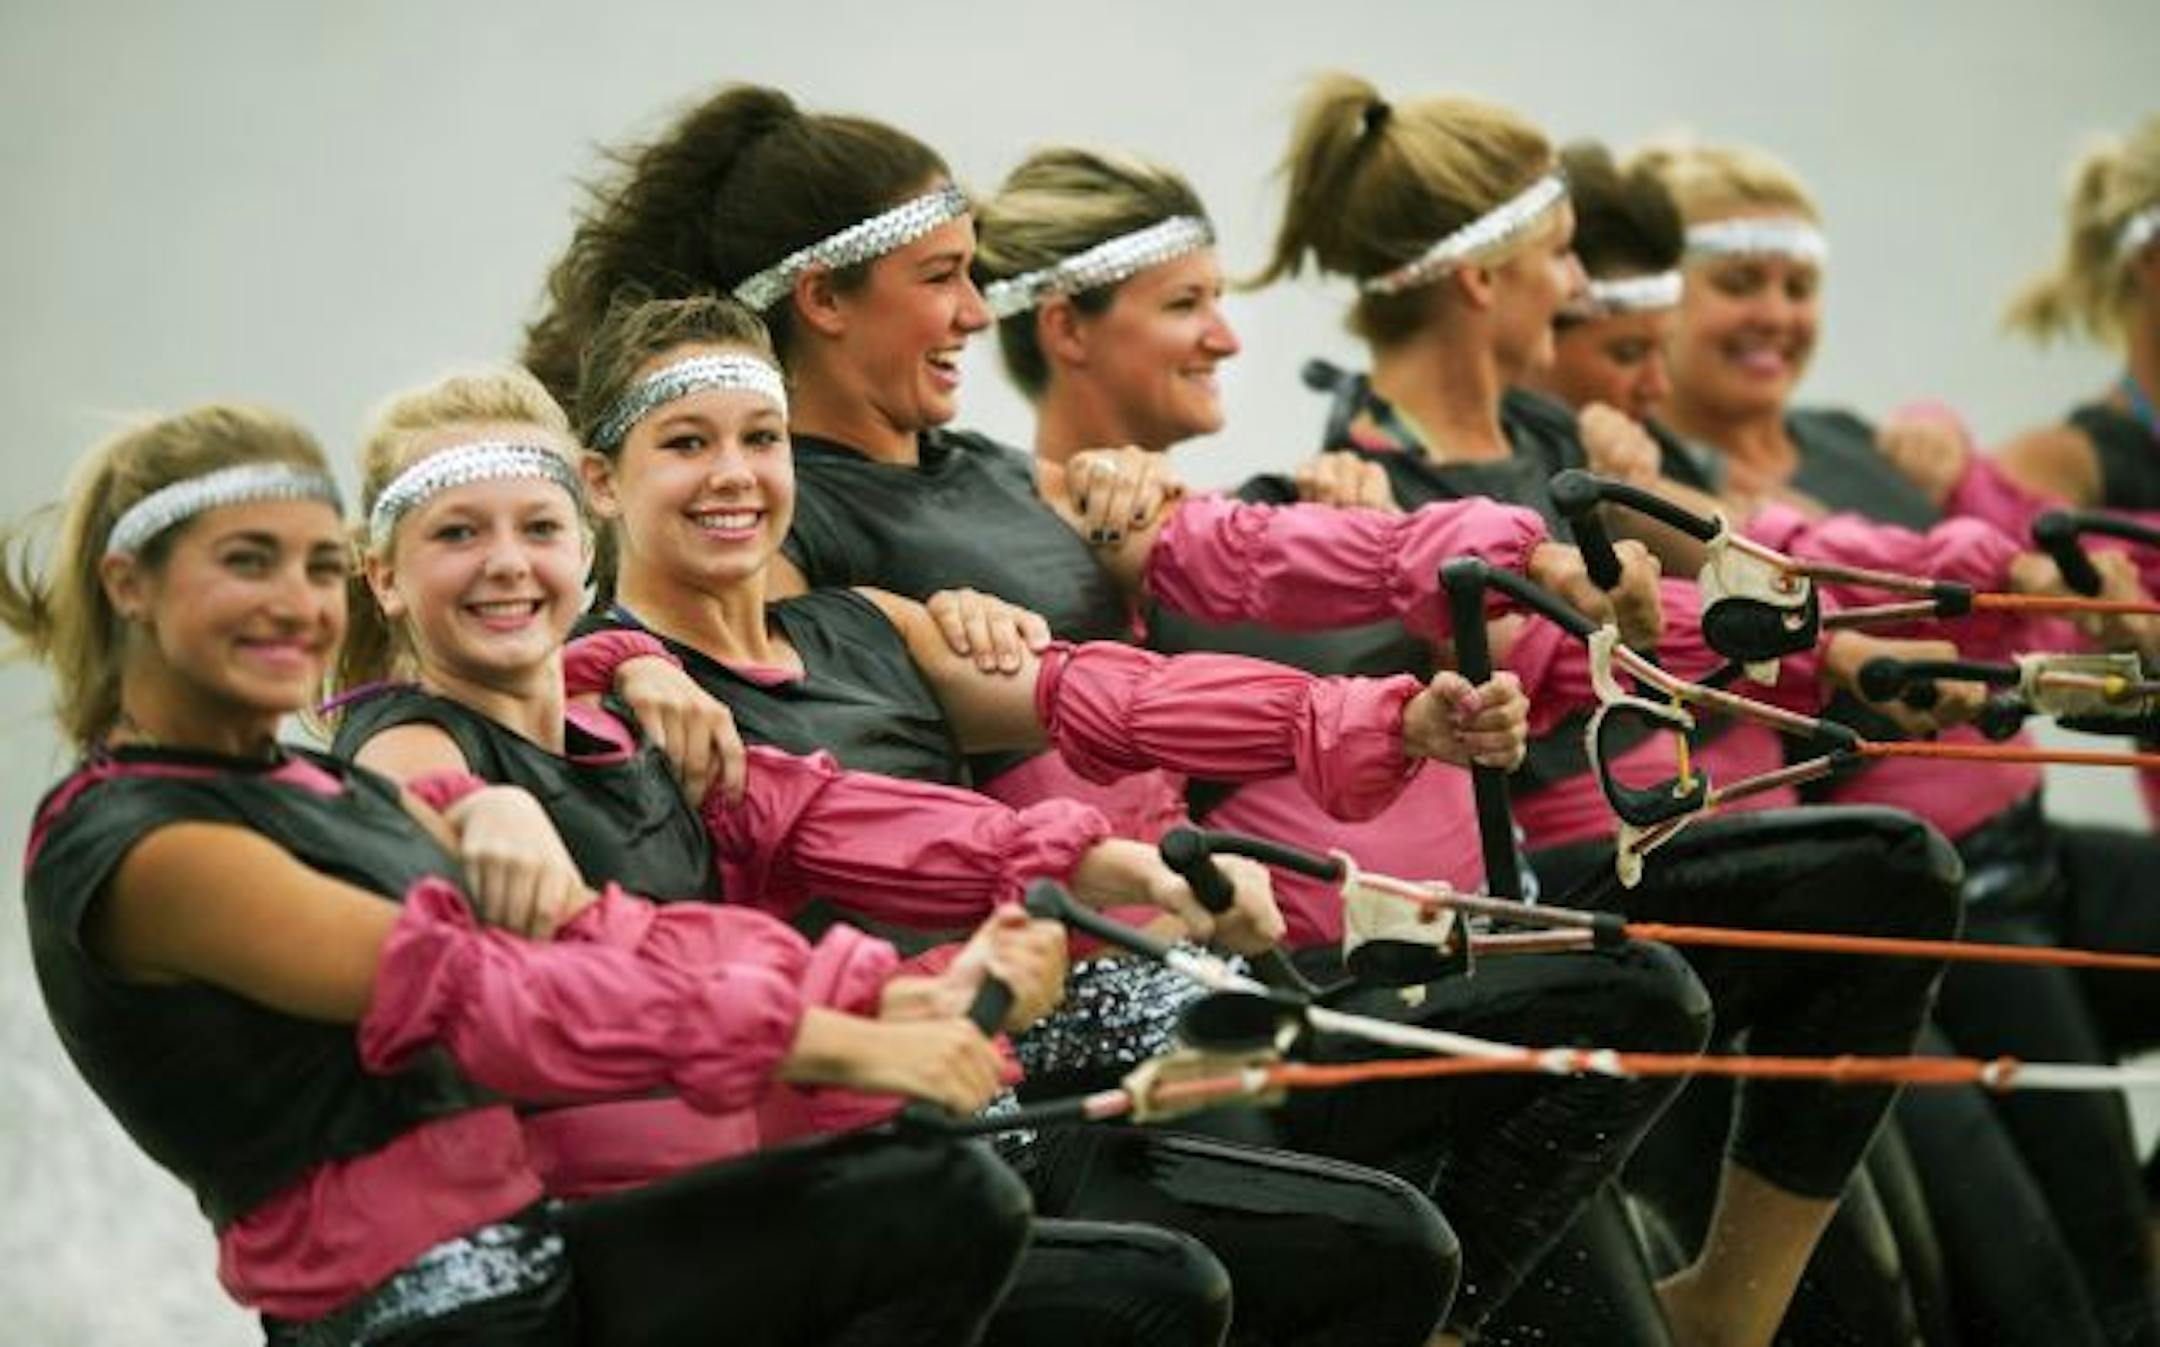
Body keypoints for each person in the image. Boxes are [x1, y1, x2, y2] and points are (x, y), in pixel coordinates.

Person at [1, 403, 1033, 1345]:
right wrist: (838, 1043)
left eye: (318, 568)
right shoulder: (143, 841)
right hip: (413, 1319)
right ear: (128, 584)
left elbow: (604, 936)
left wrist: (889, 993)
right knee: (930, 1202)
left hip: (541, 1270)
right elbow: (490, 999)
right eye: (249, 562)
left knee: (937, 1201)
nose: (295, 603)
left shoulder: (321, 788)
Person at [1254, 74, 1973, 1347]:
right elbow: (1434, 697)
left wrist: (1872, 633)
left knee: (1896, 874)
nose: (1578, 281)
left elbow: (1735, 572)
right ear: (1486, 281)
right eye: (1558, 254)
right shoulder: (1353, 472)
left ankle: (1726, 1309)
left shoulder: (1553, 432)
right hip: (1541, 902)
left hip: (1617, 885)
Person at [1642, 133, 2160, 1347]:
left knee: (2099, 1242)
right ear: (1658, 307)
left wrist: (1947, 451)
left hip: (2030, 844)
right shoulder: (1666, 490)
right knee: (2070, 1276)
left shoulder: (1849, 436)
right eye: (1739, 283)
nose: (1776, 313)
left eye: (1797, 285)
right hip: (1930, 889)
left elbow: (1995, 590)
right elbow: (1821, 636)